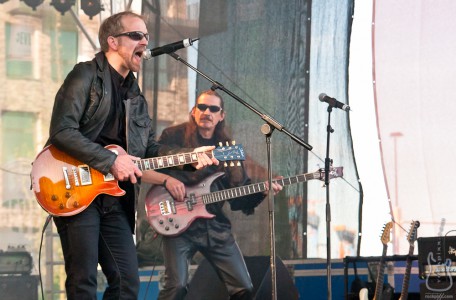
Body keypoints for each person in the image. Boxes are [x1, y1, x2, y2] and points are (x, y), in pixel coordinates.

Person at [47, 12, 217, 300]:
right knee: (83, 280)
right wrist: (111, 160)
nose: (145, 41)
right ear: (112, 42)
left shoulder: (136, 98)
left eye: (147, 36)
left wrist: (190, 157)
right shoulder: (86, 75)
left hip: (115, 199)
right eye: (137, 35)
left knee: (128, 283)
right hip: (74, 190)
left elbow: (149, 151)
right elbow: (62, 131)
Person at [142, 89, 283, 300]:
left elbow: (238, 200)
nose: (207, 112)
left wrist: (262, 190)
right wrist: (168, 180)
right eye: (202, 107)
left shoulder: (228, 149)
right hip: (178, 224)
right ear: (194, 111)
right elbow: (146, 168)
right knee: (176, 287)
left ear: (221, 115)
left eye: (213, 108)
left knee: (244, 288)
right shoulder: (173, 136)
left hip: (214, 227)